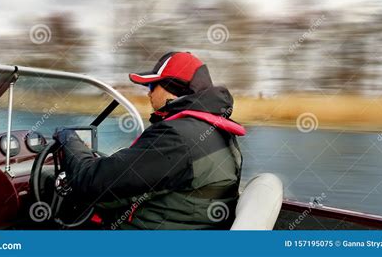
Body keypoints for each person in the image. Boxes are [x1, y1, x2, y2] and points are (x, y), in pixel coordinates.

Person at [54, 51, 245, 229]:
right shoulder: (217, 131)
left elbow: (90, 182)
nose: (148, 93)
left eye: (152, 86)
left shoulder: (176, 138)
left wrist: (68, 139)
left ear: (173, 89)